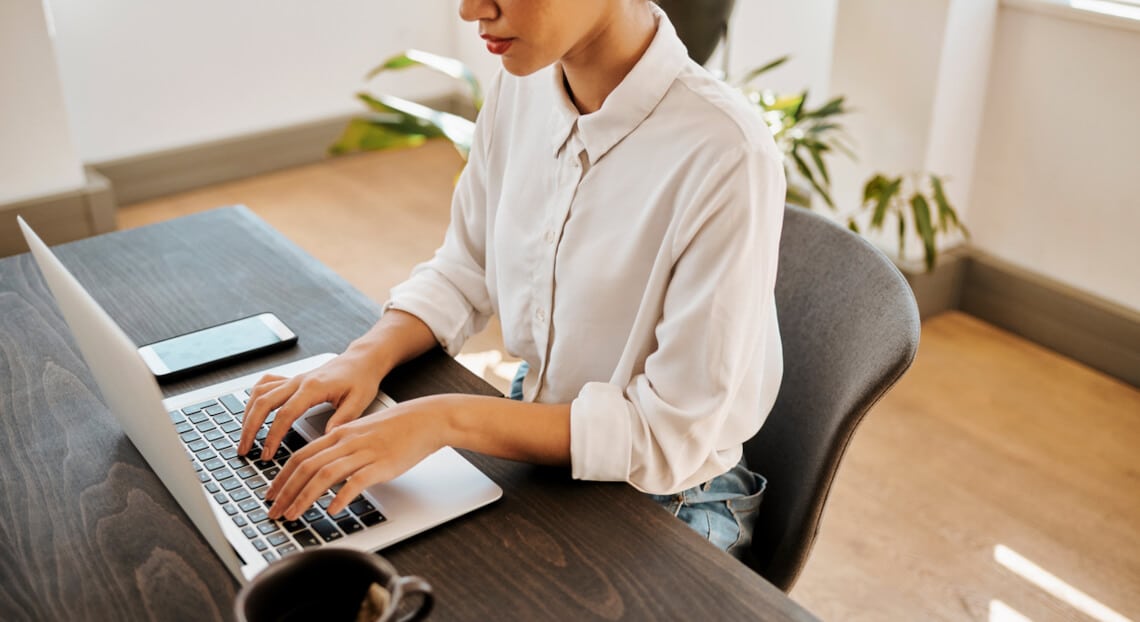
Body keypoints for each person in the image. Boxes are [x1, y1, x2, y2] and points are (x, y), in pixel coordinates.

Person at [238, 0, 785, 560]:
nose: (470, 10)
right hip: (538, 444)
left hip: (670, 500)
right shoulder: (521, 87)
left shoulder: (726, 151)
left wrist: (442, 419)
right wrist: (363, 357)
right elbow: (466, 265)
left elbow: (663, 438)